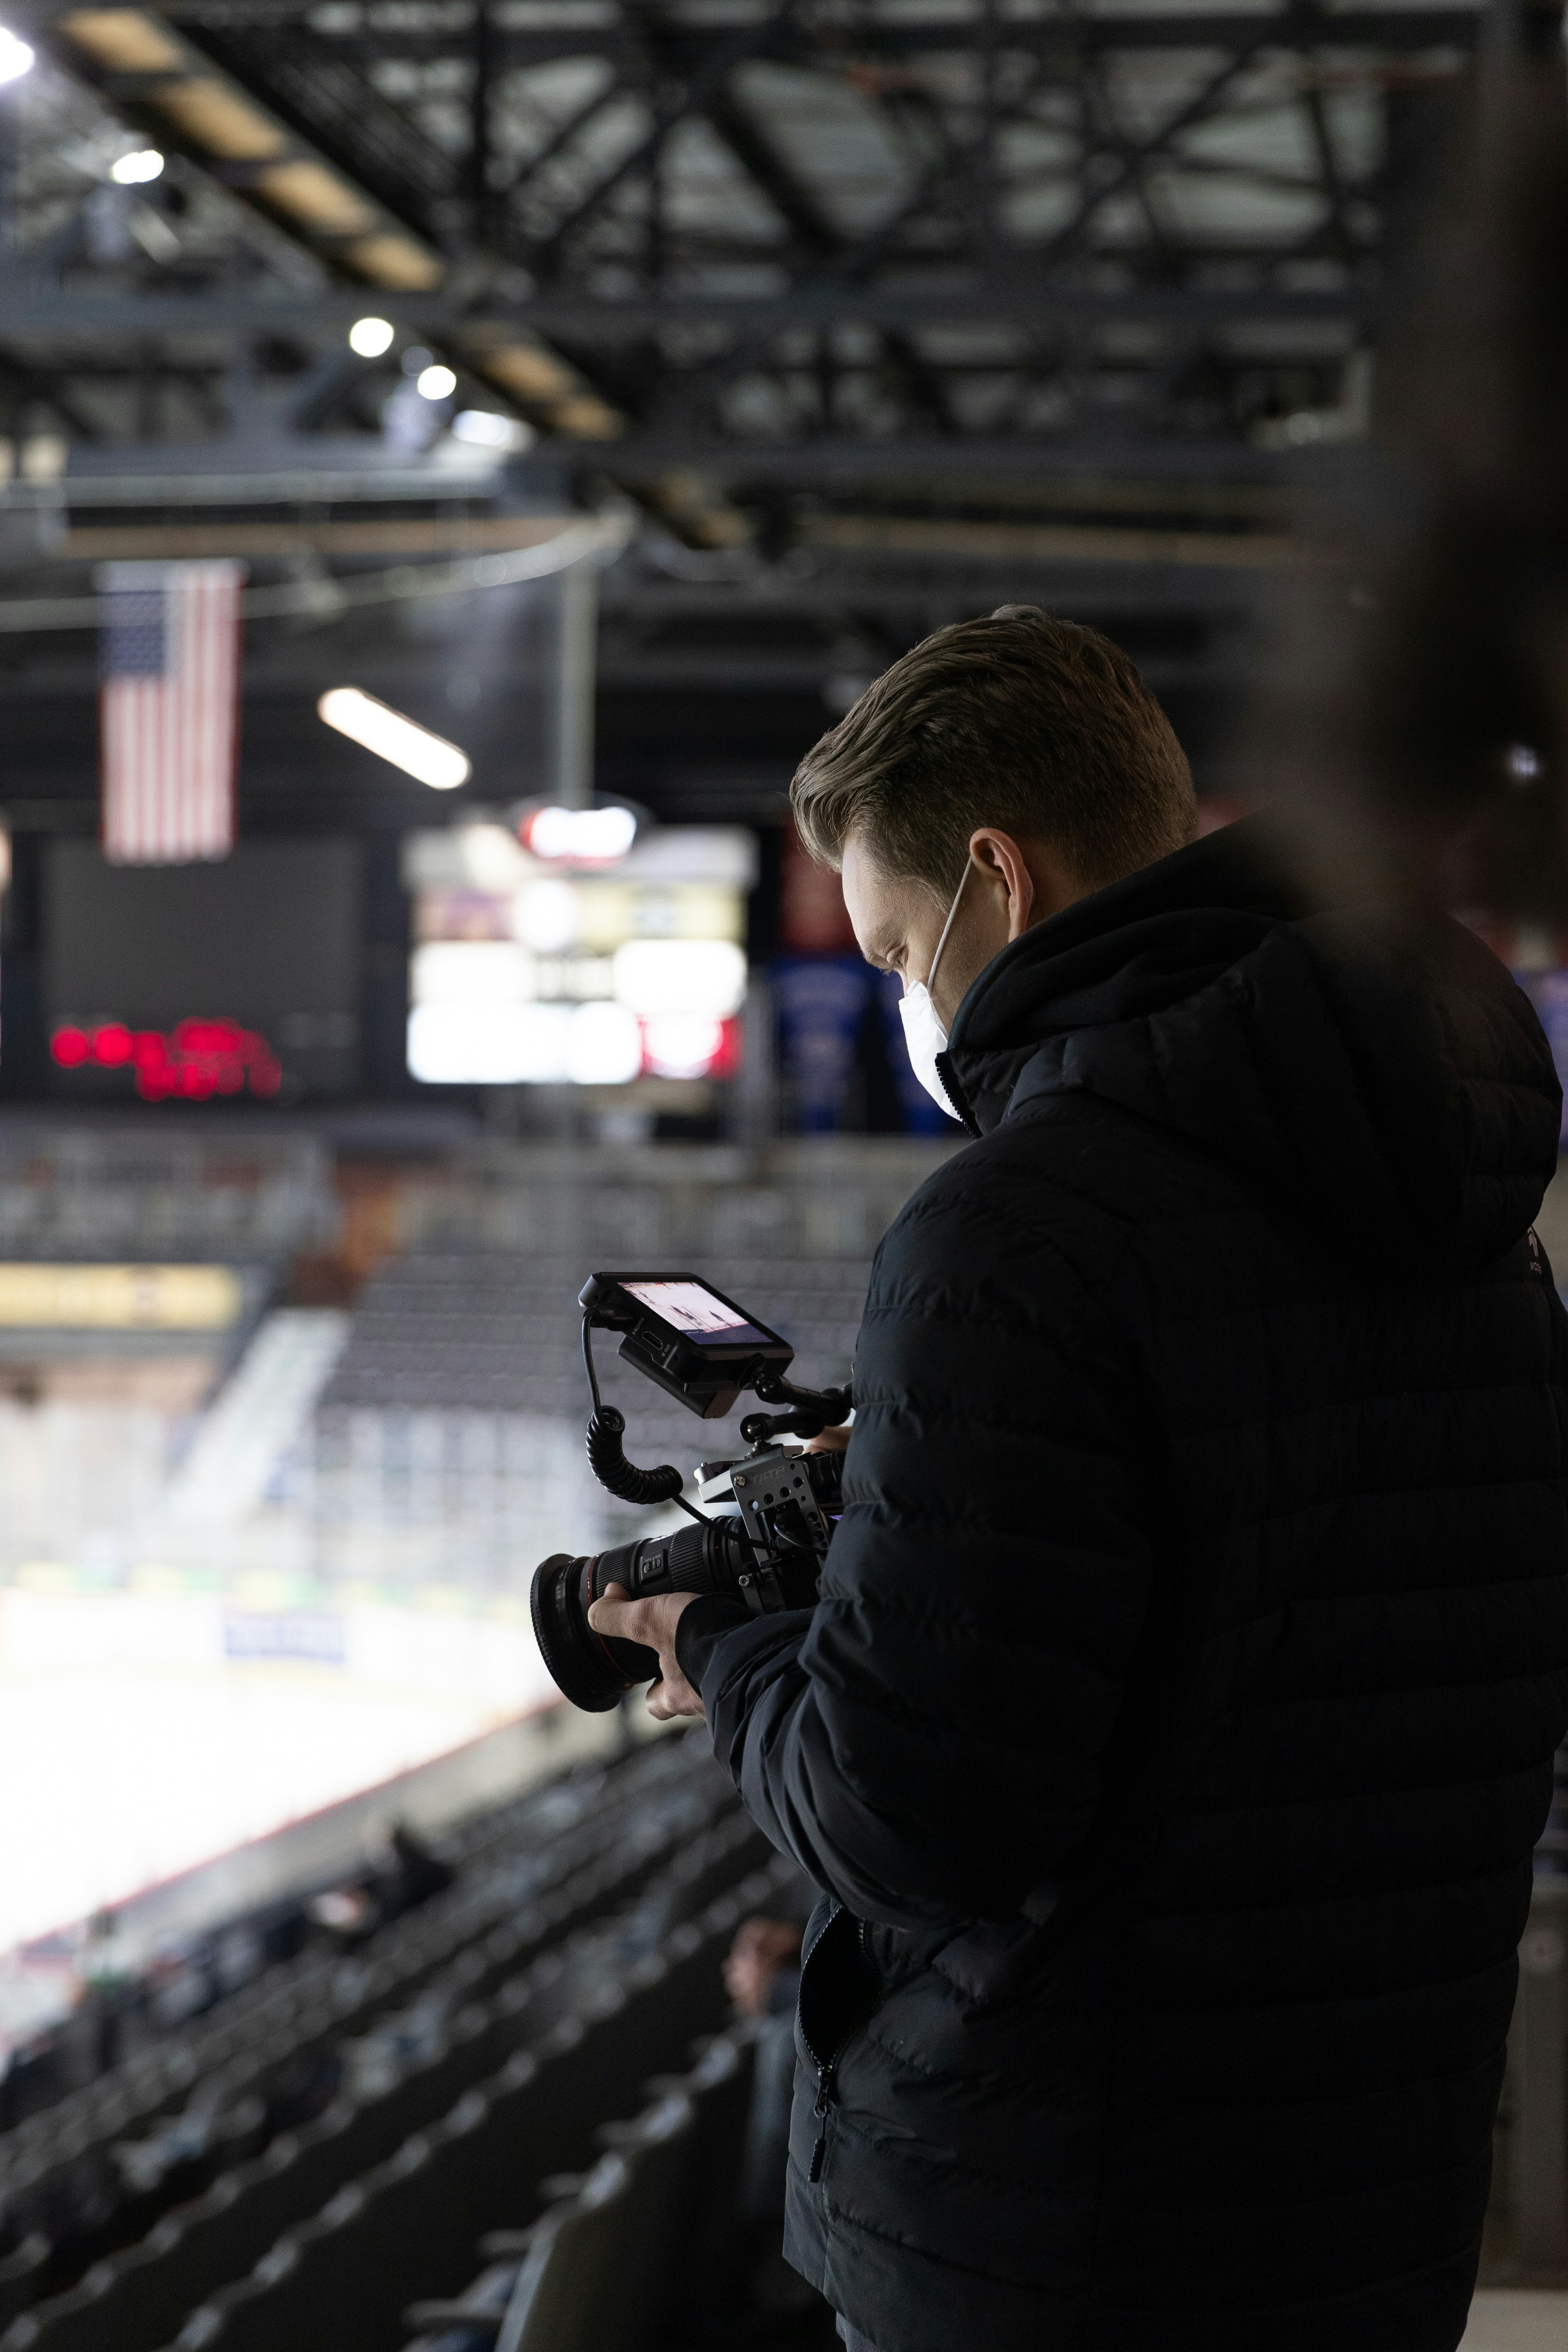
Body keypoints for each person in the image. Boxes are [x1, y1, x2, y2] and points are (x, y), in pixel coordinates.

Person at [588, 606, 1568, 2352]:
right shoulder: (1470, 1213)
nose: (906, 993)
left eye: (896, 950)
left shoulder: (1020, 1227)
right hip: (1370, 2192)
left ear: (996, 877)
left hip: (1066, 2238)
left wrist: (729, 1661)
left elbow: (916, 1823)